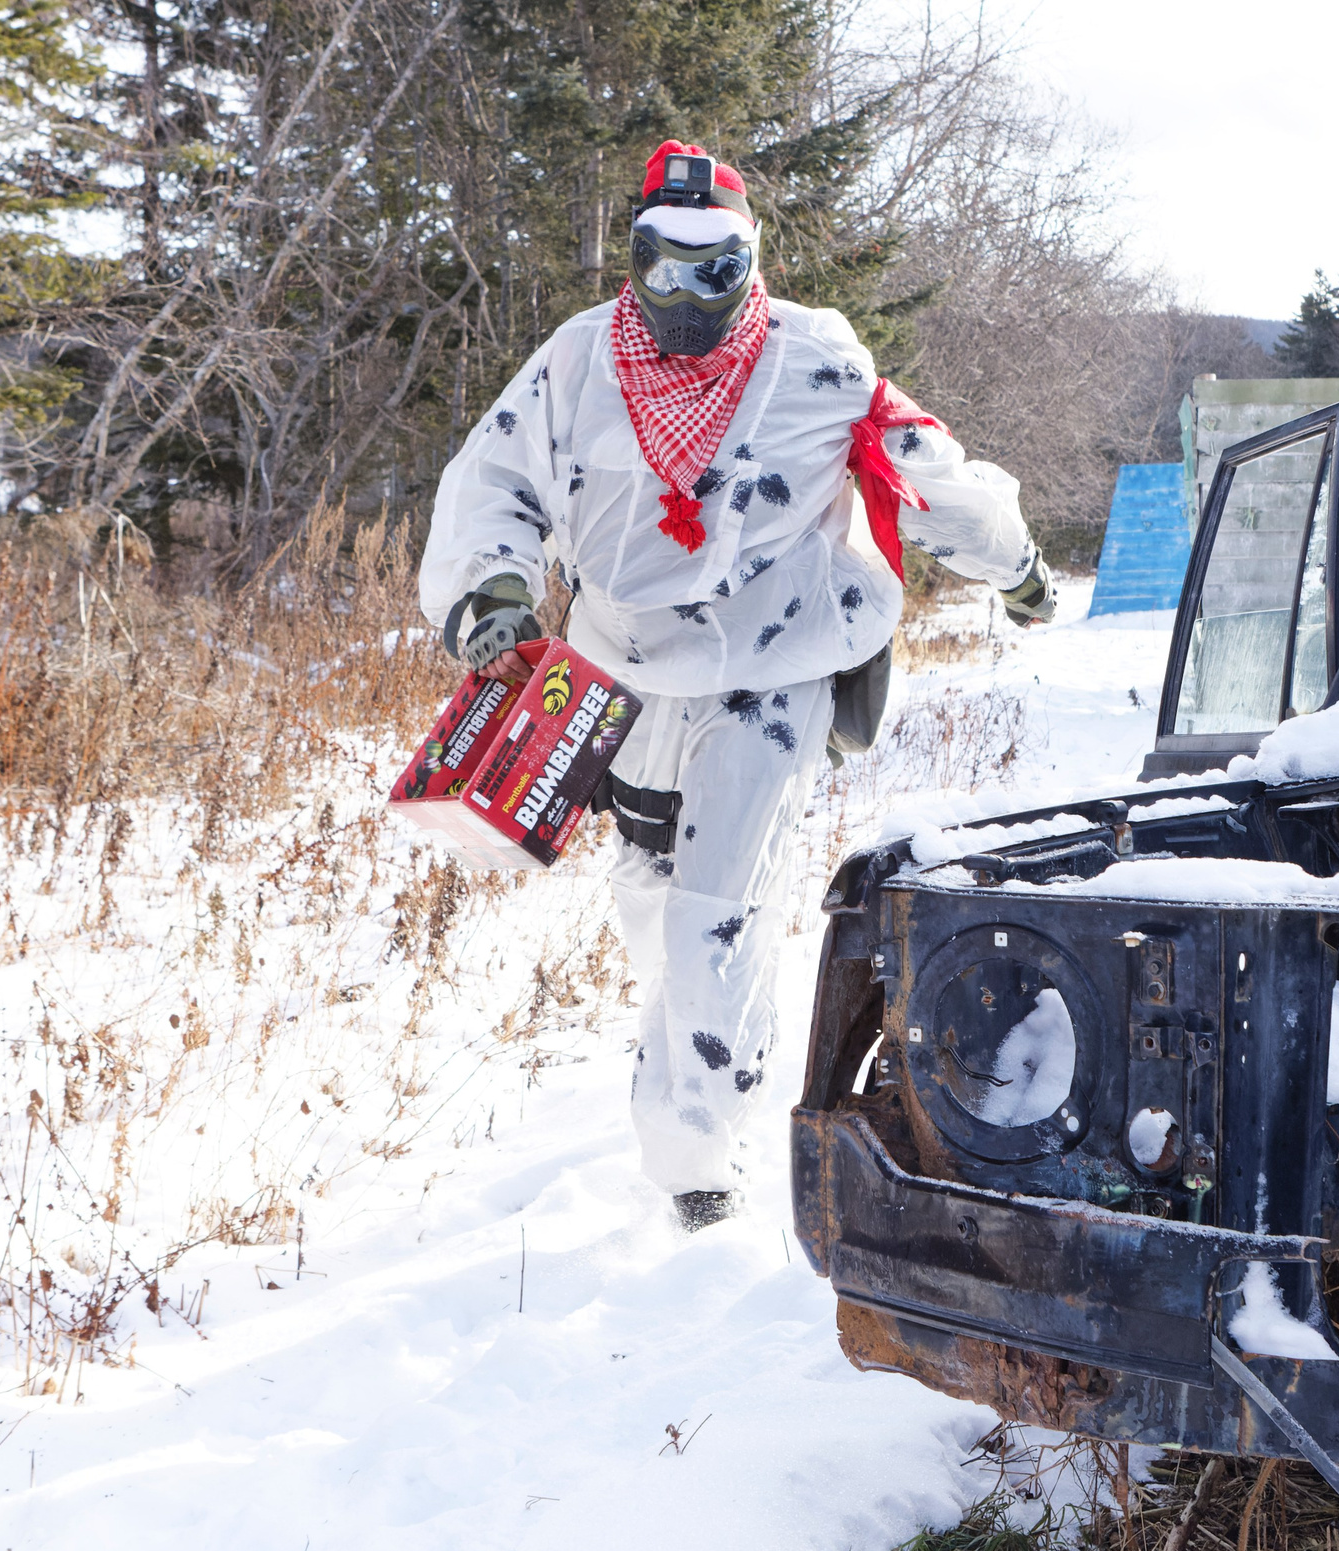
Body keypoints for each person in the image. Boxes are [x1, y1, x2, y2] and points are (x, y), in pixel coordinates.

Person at [418, 141, 1054, 1228]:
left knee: (720, 898)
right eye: (664, 267)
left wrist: (1019, 564)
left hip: (776, 662)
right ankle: (691, 1083)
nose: (686, 295)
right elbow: (495, 479)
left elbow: (929, 473)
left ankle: (700, 1157)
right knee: (650, 894)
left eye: (714, 270)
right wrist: (491, 594)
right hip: (625, 672)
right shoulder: (576, 364)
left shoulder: (819, 362)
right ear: (633, 260)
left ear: (751, 261)